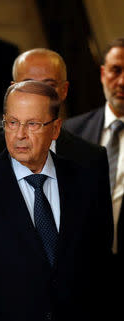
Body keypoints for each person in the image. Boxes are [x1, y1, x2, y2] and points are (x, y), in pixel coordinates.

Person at [0, 81, 113, 321]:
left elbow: (100, 271)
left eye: (32, 124)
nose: (20, 134)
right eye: (12, 123)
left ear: (55, 129)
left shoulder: (87, 184)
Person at [0, 48, 110, 179]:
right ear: (12, 90)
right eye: (28, 85)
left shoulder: (91, 158)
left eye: (49, 86)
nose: (37, 96)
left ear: (64, 91)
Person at [64, 38, 124, 313]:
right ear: (102, 73)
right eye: (116, 70)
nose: (122, 81)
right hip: (80, 275)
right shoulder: (72, 132)